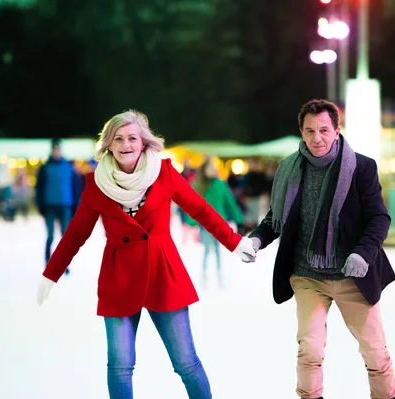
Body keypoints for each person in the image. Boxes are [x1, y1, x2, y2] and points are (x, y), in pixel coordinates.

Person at [35, 110, 255, 399]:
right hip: (119, 279)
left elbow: (199, 209)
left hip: (163, 274)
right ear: (108, 145)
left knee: (186, 363)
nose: (126, 144)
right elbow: (76, 234)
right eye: (118, 138)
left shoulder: (163, 173)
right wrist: (51, 273)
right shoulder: (96, 184)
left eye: (132, 138)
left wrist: (234, 241)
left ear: (143, 143)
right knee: (119, 367)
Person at [244, 99, 395, 399]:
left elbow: (379, 218)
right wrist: (256, 239)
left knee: (375, 354)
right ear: (301, 132)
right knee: (309, 350)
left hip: (352, 275)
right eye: (310, 130)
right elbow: (276, 219)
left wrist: (362, 253)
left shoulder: (362, 168)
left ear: (337, 131)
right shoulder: (289, 169)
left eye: (324, 130)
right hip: (307, 276)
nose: (317, 138)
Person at [187, 158, 244, 287]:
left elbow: (230, 202)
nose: (213, 170)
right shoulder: (198, 184)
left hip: (219, 223)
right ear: (204, 170)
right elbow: (191, 204)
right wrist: (191, 221)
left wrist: (239, 220)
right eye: (210, 168)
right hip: (205, 224)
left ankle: (219, 275)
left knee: (218, 249)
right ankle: (205, 274)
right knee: (207, 249)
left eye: (214, 168)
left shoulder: (220, 184)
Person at [35, 138, 81, 267]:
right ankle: (48, 261)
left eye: (58, 149)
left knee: (65, 237)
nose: (56, 151)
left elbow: (75, 187)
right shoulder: (45, 168)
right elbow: (39, 188)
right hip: (50, 205)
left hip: (65, 205)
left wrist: (75, 206)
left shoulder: (68, 167)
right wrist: (40, 205)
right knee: (50, 235)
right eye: (54, 149)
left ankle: (63, 263)